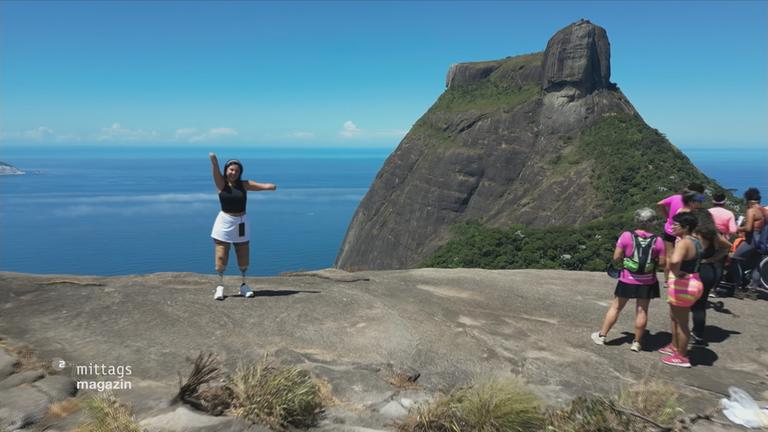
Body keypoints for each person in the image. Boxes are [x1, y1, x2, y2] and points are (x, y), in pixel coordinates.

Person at [592, 208, 665, 352]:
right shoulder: (658, 240)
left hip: (627, 279)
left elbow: (616, 257)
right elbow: (663, 263)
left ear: (636, 221)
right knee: (642, 311)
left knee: (616, 307)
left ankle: (602, 336)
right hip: (647, 281)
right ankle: (637, 343)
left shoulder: (626, 236)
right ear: (653, 222)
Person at [209, 153, 277, 300]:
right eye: (231, 170)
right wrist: (214, 162)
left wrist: (270, 187)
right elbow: (215, 171)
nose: (233, 173)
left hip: (241, 222)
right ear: (226, 170)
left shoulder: (243, 185)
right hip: (224, 222)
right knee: (221, 256)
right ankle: (220, 286)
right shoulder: (221, 184)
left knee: (243, 257)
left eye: (237, 171)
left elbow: (260, 186)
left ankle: (243, 285)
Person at [660, 212, 707, 368]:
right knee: (675, 317)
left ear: (685, 227)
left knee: (682, 323)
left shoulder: (684, 242)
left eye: (676, 224)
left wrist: (675, 272)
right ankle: (675, 346)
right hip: (695, 280)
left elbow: (674, 261)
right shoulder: (697, 240)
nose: (672, 226)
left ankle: (682, 356)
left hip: (684, 285)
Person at [689, 209, 730, 345]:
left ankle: (687, 335)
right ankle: (698, 334)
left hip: (696, 271)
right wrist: (713, 259)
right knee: (700, 305)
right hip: (709, 271)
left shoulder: (694, 234)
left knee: (689, 306)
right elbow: (727, 246)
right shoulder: (714, 234)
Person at [657, 183, 705, 278]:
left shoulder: (675, 197)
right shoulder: (692, 206)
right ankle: (677, 275)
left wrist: (667, 217)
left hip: (669, 229)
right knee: (682, 255)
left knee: (669, 255)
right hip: (684, 232)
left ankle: (667, 279)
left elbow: (660, 204)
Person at [730, 187, 766, 293]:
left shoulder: (751, 211)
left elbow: (749, 228)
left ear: (749, 200)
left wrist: (737, 228)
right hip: (762, 241)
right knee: (757, 264)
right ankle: (753, 290)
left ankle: (737, 288)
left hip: (751, 240)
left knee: (735, 259)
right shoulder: (764, 210)